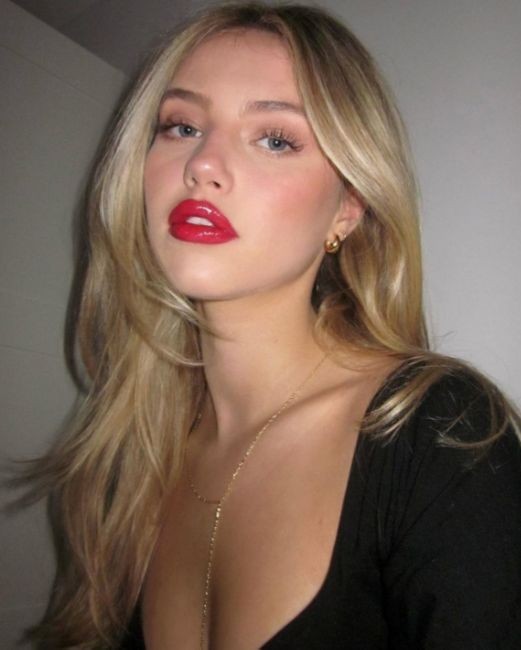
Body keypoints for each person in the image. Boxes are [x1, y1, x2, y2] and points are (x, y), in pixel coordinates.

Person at [23, 2, 521, 648]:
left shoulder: (442, 437)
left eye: (275, 139)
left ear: (347, 207)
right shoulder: (132, 458)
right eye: (180, 126)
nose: (203, 163)